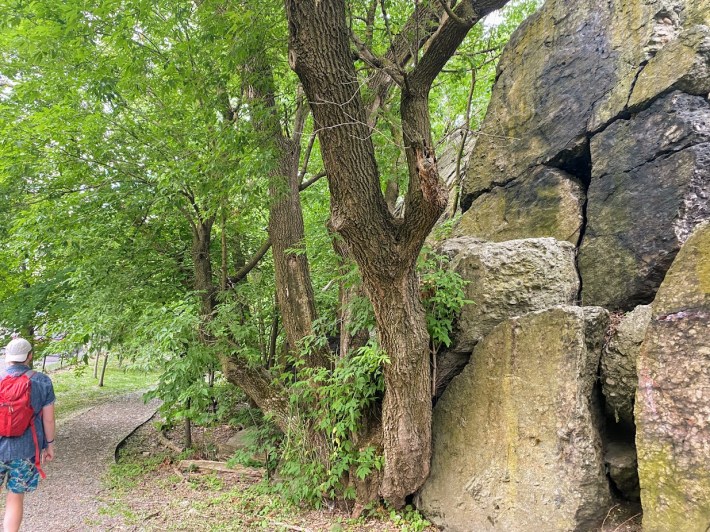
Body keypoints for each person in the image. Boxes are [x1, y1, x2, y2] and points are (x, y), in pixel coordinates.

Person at [0, 338, 56, 532]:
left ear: (7, 357)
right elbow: (48, 419)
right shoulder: (42, 380)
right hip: (27, 449)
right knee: (15, 497)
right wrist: (49, 445)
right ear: (30, 356)